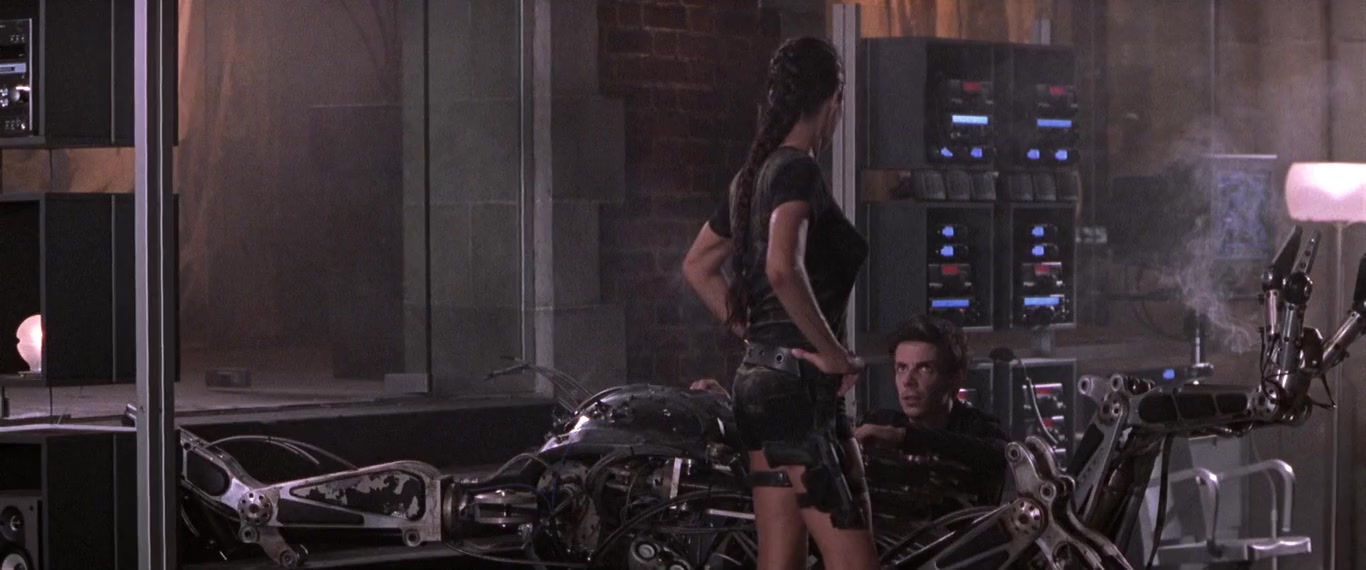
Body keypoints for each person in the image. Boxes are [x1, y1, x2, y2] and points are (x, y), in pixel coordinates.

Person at [682, 36, 877, 570]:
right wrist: (833, 353)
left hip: (761, 387)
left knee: (780, 561)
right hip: (796, 395)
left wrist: (759, 338)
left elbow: (698, 266)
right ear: (834, 99)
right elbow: (781, 267)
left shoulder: (750, 179)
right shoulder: (796, 170)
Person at [855, 315, 1011, 508]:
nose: (908, 381)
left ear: (955, 379)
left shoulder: (981, 430)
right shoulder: (881, 422)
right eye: (902, 368)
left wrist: (905, 438)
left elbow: (998, 453)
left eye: (924, 368)